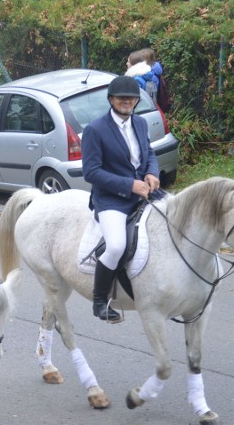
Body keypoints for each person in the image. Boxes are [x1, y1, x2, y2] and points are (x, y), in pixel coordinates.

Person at [82, 75, 160, 322]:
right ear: (111, 100)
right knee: (116, 245)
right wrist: (130, 185)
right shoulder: (95, 130)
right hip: (112, 199)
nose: (127, 101)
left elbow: (149, 154)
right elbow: (91, 172)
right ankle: (99, 300)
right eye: (121, 97)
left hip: (143, 191)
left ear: (137, 100)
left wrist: (151, 172)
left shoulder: (140, 123)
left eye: (132, 97)